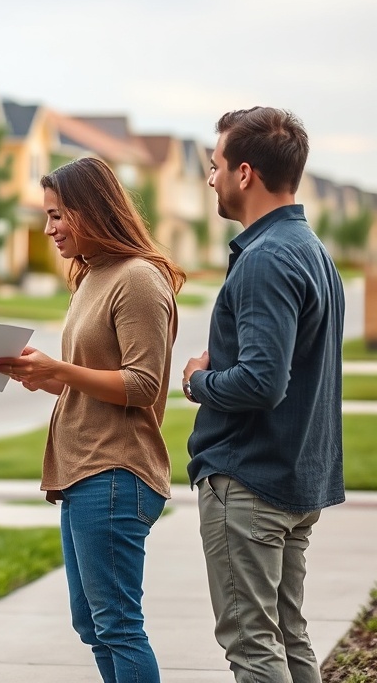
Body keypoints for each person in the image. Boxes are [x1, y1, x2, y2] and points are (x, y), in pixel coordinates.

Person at [0, 157, 185, 683]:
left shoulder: (138, 279)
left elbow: (143, 385)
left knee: (119, 624)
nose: (48, 229)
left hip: (116, 472)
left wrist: (61, 369)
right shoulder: (92, 279)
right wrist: (41, 373)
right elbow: (89, 377)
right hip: (83, 472)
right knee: (92, 624)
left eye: (57, 216)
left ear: (91, 210)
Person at [183, 107, 345, 683]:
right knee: (287, 634)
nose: (210, 178)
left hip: (250, 482)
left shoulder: (265, 260)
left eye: (214, 165)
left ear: (244, 173)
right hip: (294, 480)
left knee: (252, 645)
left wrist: (197, 381)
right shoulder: (314, 252)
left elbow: (260, 381)